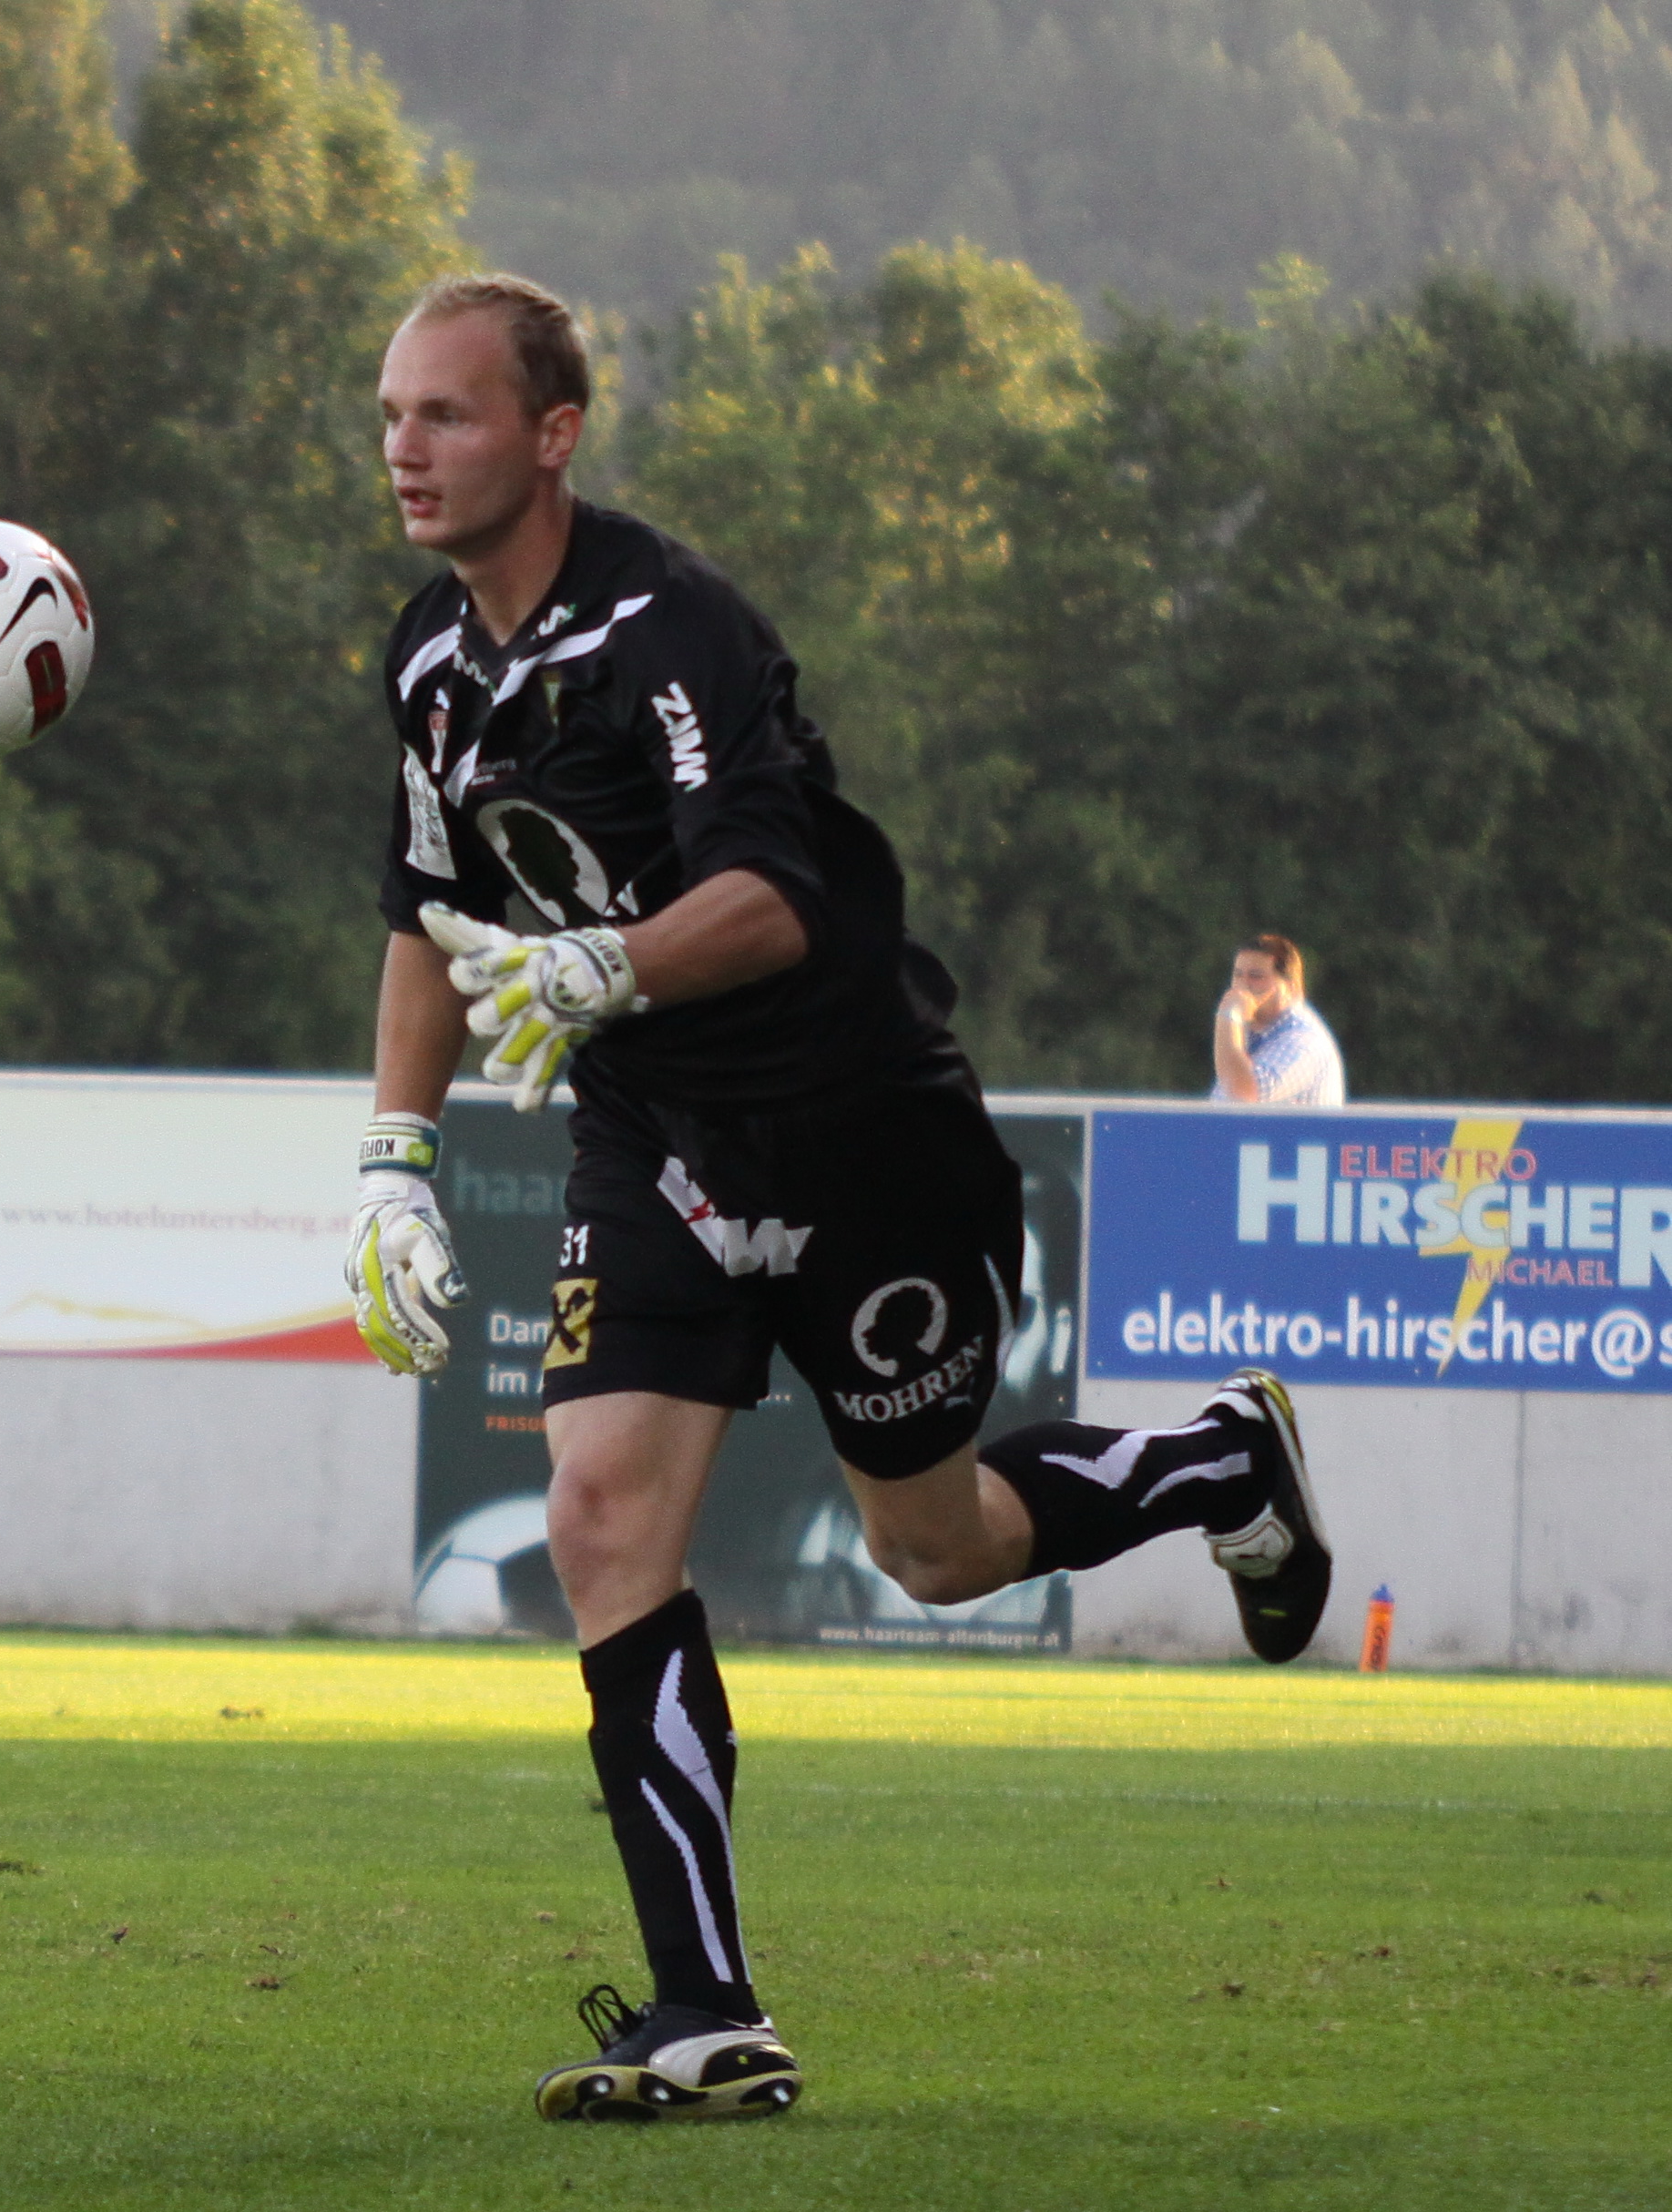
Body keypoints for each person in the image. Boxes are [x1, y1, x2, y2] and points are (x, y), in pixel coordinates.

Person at [342, 272, 1333, 2125]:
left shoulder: (671, 624)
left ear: (552, 434)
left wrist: (605, 962)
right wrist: (395, 1153)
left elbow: (772, 900)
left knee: (933, 1547)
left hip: (862, 1133)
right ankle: (706, 2010)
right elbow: (425, 916)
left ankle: (1222, 1460)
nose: (404, 445)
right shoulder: (425, 664)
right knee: (597, 1510)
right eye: (391, 411)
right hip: (656, 1136)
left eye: (445, 412)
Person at [1211, 933, 1345, 1106]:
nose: (1242, 986)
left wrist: (1229, 1015)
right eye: (1237, 975)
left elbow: (1243, 1094)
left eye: (1256, 976)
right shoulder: (1249, 1034)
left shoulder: (1304, 1042)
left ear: (1291, 987)